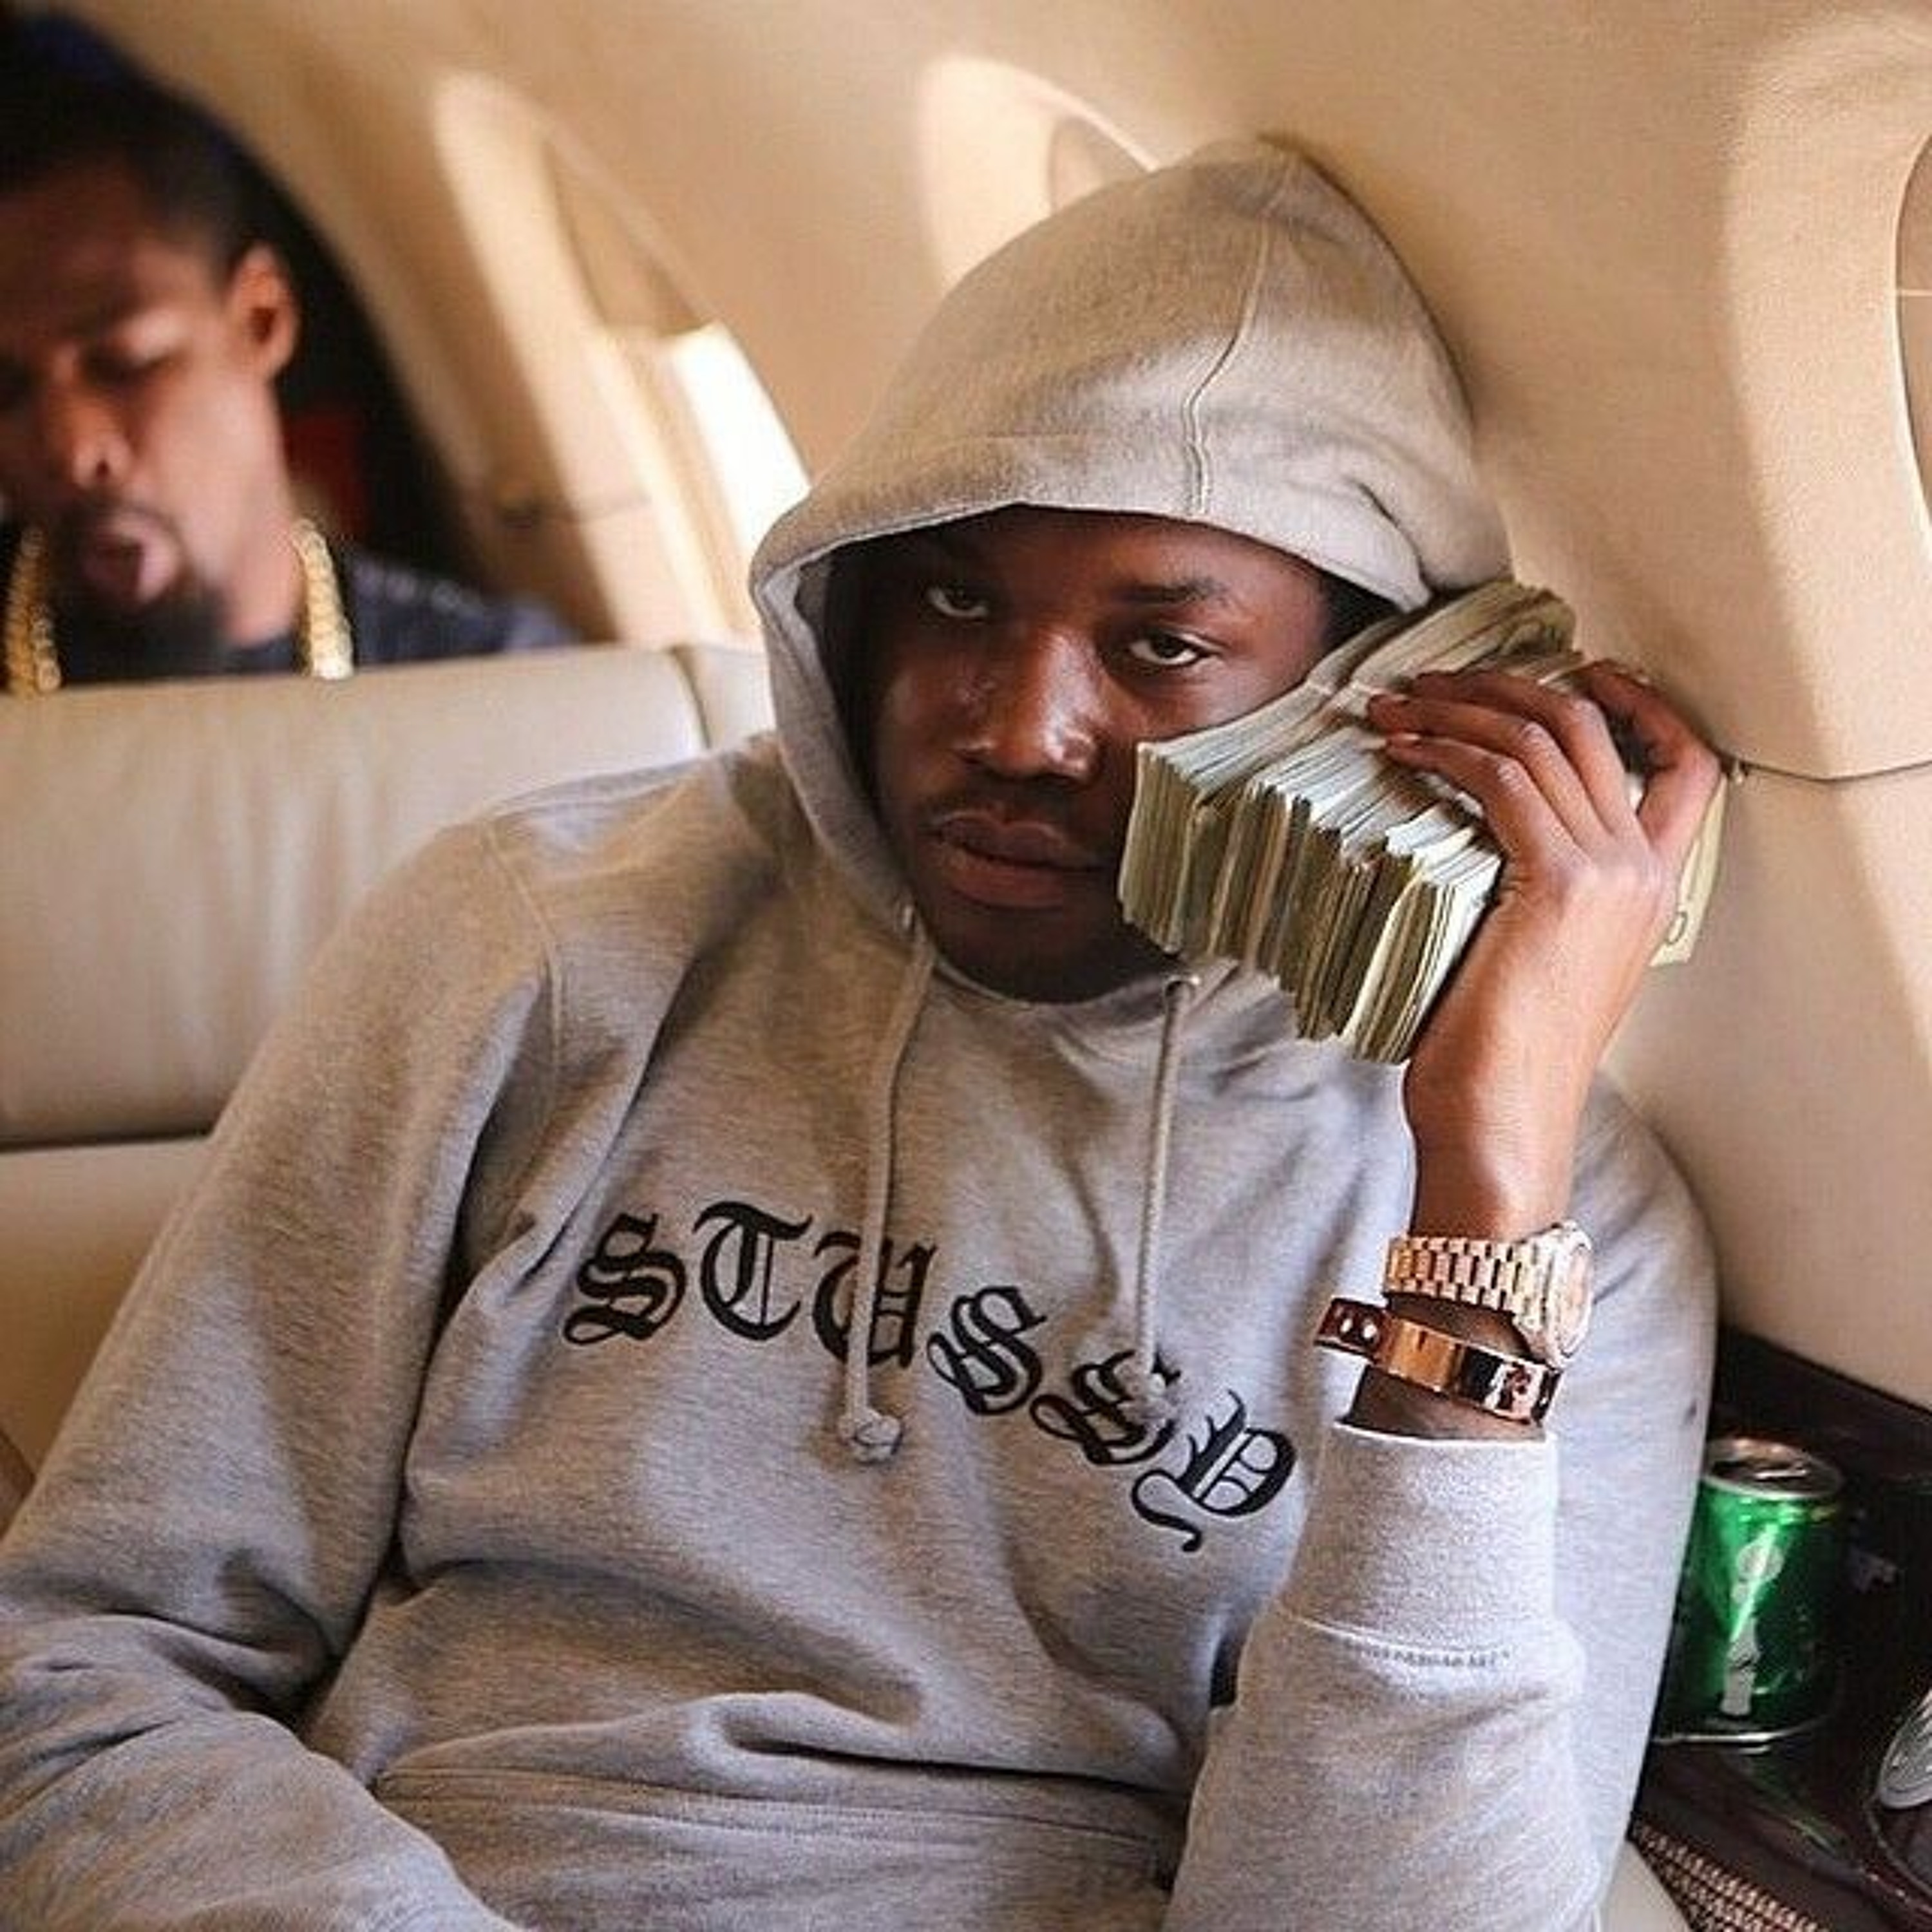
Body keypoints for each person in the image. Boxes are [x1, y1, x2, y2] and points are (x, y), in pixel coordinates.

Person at [0, 141, 1721, 1929]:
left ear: (1361, 701)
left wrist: (1476, 1223)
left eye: (1158, 647)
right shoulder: (534, 946)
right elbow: (84, 1664)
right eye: (958, 602)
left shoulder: (1562, 1218)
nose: (1019, 728)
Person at [0, 73, 569, 694]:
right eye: (7, 389)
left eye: (126, 363)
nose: (73, 449)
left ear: (259, 320)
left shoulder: (487, 688)